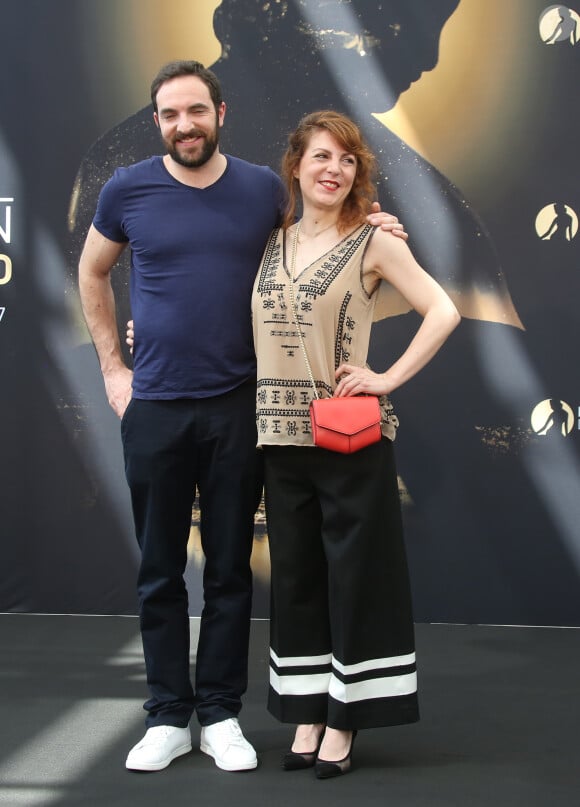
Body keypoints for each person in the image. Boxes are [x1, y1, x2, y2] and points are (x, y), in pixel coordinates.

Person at [78, 60, 407, 774]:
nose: (183, 125)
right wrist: (113, 365)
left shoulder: (262, 189)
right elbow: (92, 271)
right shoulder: (126, 189)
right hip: (156, 406)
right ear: (157, 121)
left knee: (230, 569)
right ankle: (168, 712)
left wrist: (372, 221)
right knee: (160, 569)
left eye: (195, 111)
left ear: (220, 114)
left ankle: (221, 710)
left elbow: (320, 236)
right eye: (169, 114)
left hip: (239, 405)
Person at [251, 110, 460, 778]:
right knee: (300, 582)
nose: (332, 169)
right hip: (279, 441)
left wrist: (386, 378)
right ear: (296, 165)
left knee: (354, 582)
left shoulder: (372, 241)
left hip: (348, 440)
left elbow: (443, 308)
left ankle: (344, 719)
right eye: (320, 156)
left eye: (345, 159)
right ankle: (309, 710)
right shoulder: (269, 240)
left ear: (356, 172)